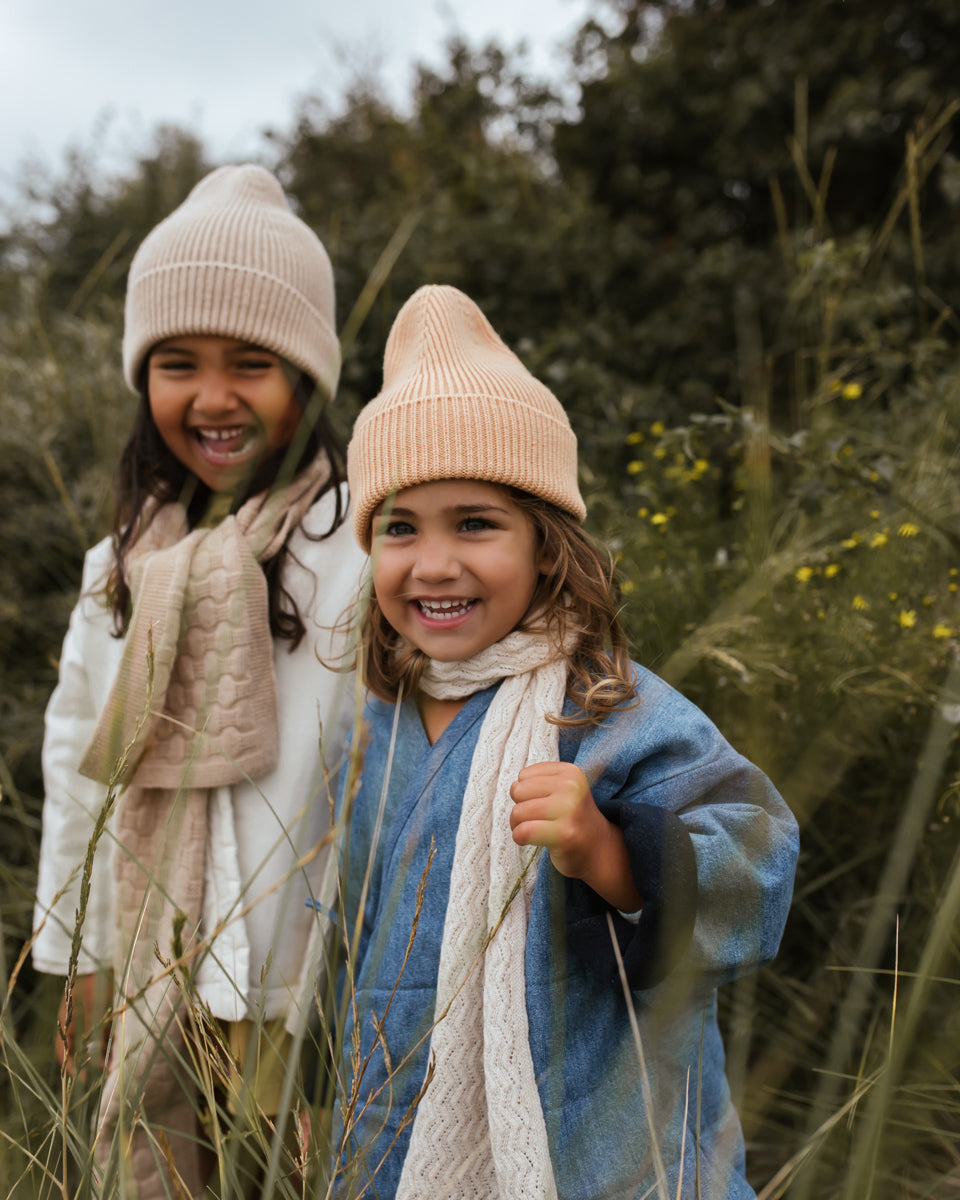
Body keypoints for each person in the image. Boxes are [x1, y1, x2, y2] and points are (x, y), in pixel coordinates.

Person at [328, 284, 799, 1199]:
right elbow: (340, 936)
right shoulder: (369, 727)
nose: (433, 563)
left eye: (475, 523)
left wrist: (608, 850)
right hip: (397, 1129)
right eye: (399, 528)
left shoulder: (610, 707)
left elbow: (760, 861)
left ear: (546, 544)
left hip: (604, 1141)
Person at [32, 164, 365, 1198]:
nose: (213, 398)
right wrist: (78, 954)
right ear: (144, 381)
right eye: (178, 364)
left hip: (306, 973)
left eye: (252, 364)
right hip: (160, 970)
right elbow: (79, 764)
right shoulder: (120, 569)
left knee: (306, 1179)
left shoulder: (365, 542)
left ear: (307, 377)